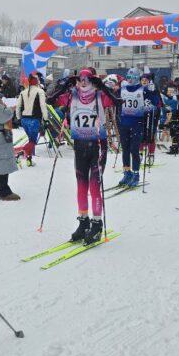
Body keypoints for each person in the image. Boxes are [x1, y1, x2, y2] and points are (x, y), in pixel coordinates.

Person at [55, 68, 116, 244]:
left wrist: (103, 87)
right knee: (81, 185)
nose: (83, 82)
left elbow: (115, 101)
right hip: (80, 144)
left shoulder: (99, 96)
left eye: (87, 79)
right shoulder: (72, 95)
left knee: (94, 186)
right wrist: (64, 85)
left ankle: (97, 224)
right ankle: (83, 222)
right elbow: (51, 99)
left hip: (97, 145)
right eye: (80, 79)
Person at [117, 68, 158, 187]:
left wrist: (153, 92)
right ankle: (127, 173)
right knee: (125, 150)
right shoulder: (123, 89)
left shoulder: (143, 90)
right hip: (124, 123)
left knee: (134, 150)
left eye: (133, 77)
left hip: (137, 124)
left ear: (137, 78)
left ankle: (136, 174)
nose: (130, 80)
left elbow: (154, 103)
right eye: (128, 77)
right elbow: (113, 99)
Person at [15, 72, 48, 167]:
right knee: (33, 141)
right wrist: (46, 119)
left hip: (24, 120)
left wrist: (18, 117)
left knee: (30, 140)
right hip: (34, 119)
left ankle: (29, 159)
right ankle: (20, 153)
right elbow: (43, 105)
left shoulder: (23, 92)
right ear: (37, 82)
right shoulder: (40, 91)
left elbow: (18, 106)